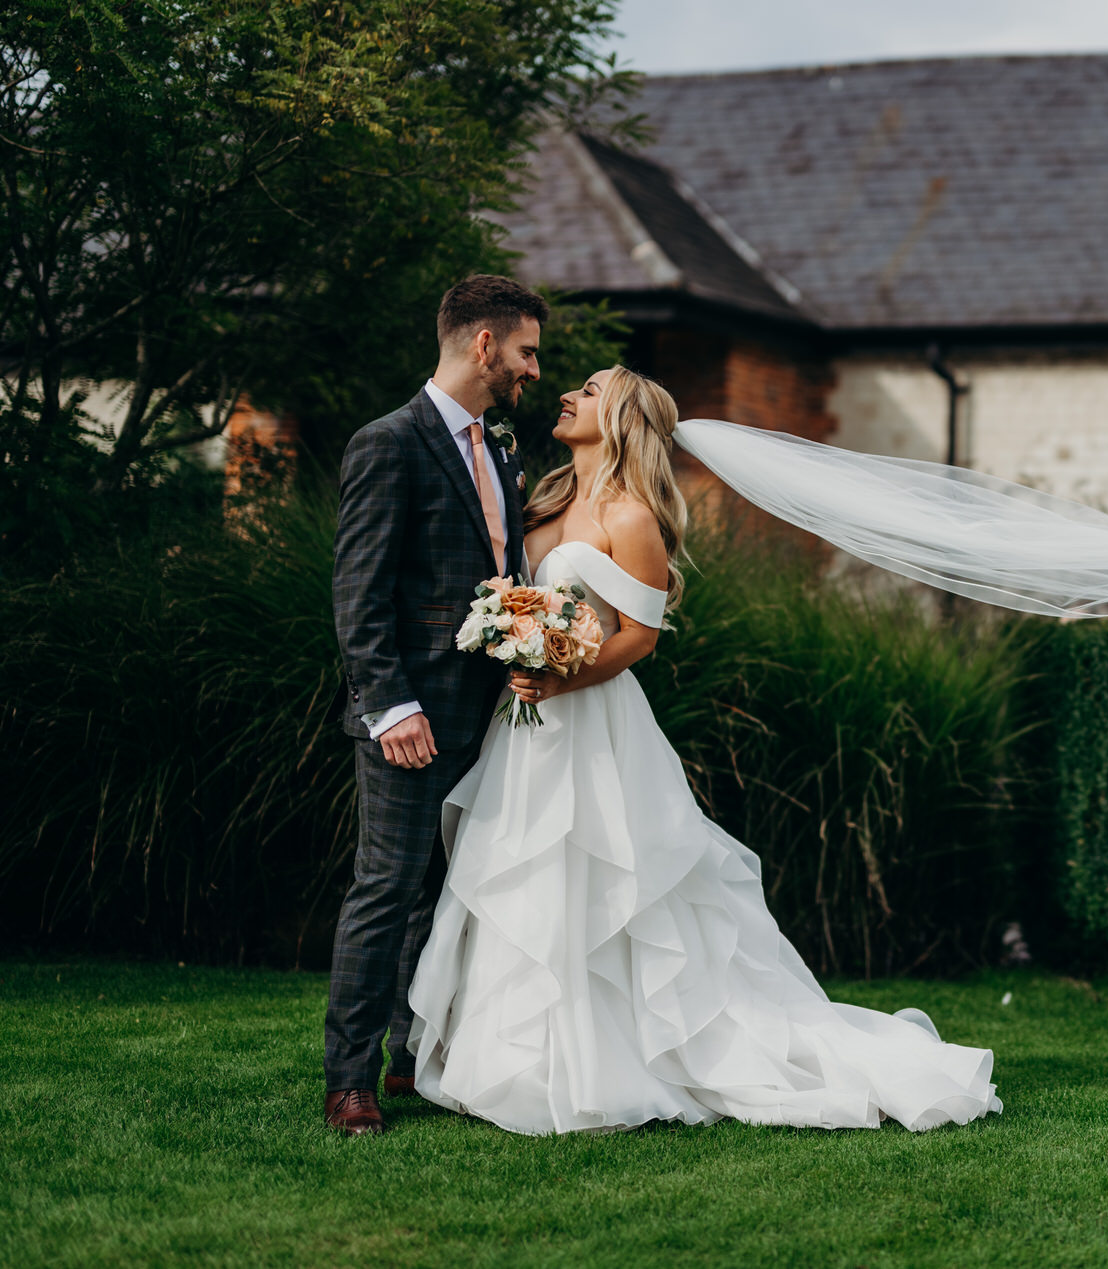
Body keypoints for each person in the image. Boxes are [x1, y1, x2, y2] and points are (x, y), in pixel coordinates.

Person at [400, 364, 1001, 1135]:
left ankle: (613, 1058)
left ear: (617, 418)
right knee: (525, 868)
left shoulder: (632, 514)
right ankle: (521, 1053)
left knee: (597, 875)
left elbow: (640, 636)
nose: (568, 396)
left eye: (587, 391)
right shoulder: (543, 495)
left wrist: (561, 679)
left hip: (590, 723)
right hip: (525, 725)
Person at [325, 275, 542, 1136]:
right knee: (386, 889)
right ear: (483, 344)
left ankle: (417, 1058)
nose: (533, 368)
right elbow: (358, 592)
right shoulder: (389, 443)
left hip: (488, 717)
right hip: (409, 721)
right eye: (526, 350)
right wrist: (389, 706)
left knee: (446, 896)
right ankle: (350, 1080)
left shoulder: (502, 448)